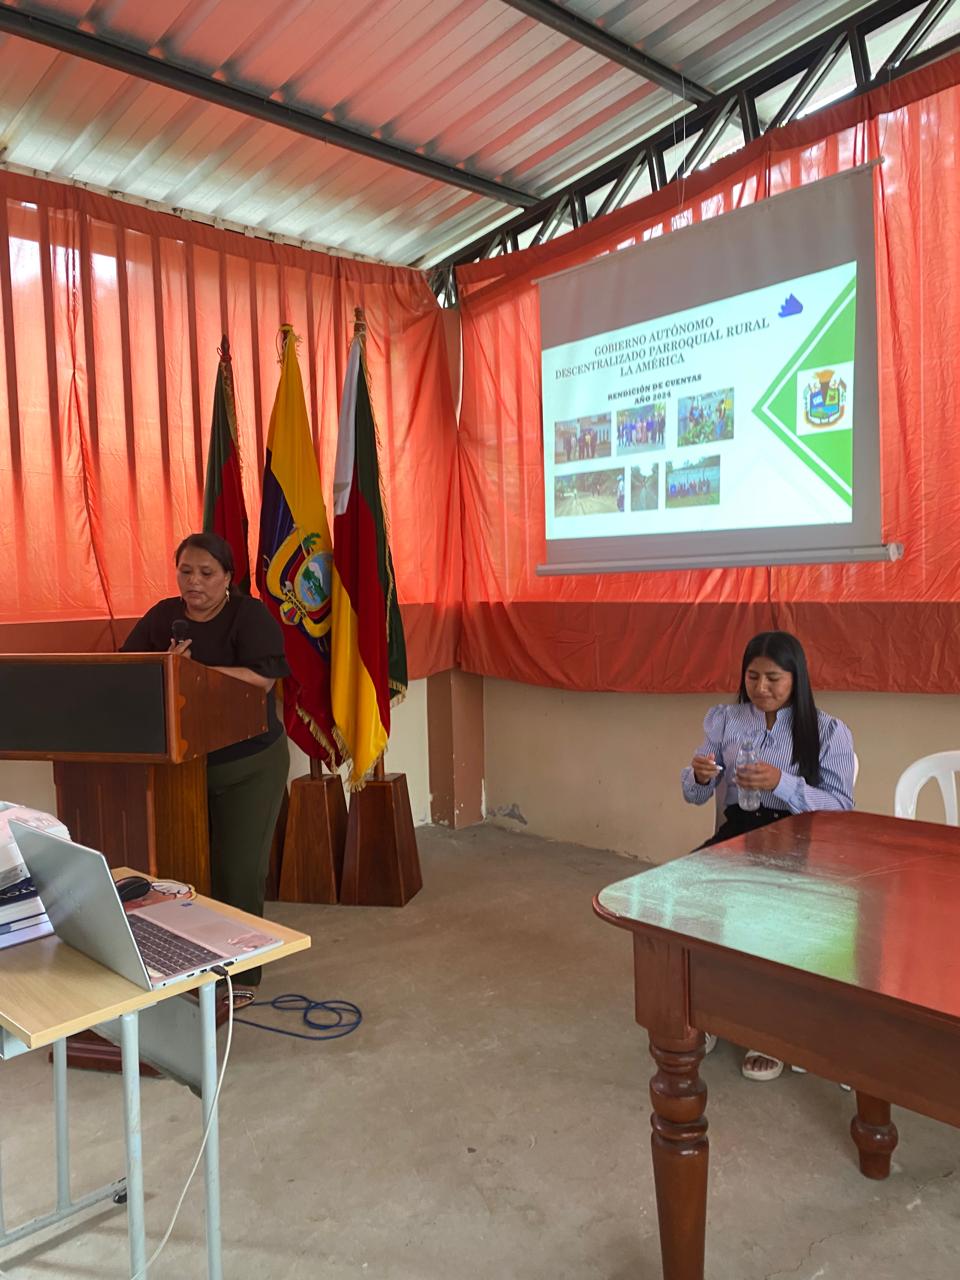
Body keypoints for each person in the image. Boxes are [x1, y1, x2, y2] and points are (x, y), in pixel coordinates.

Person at [121, 532, 290, 1006]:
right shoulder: (163, 617)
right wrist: (163, 664)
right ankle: (189, 967)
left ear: (228, 578)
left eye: (206, 573)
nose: (194, 582)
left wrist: (192, 673)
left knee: (237, 872)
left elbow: (262, 679)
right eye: (186, 571)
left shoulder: (249, 616)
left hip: (248, 765)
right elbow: (128, 668)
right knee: (182, 874)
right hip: (183, 769)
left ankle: (242, 976)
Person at [680, 631, 855, 1081]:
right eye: (753, 676)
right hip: (740, 831)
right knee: (687, 892)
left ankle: (771, 1030)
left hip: (800, 839)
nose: (761, 688)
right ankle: (708, 1011)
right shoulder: (725, 720)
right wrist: (700, 775)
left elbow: (841, 808)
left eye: (773, 678)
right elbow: (693, 795)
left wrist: (782, 783)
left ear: (797, 678)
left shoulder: (828, 731)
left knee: (775, 918)